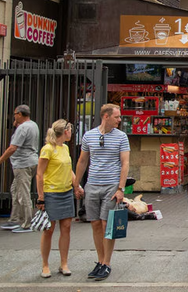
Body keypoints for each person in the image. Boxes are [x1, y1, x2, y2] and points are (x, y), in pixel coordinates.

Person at [75, 103, 130, 281]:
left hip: (111, 186)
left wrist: (121, 188)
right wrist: (77, 184)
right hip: (92, 184)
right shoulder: (89, 135)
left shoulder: (121, 137)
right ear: (106, 116)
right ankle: (100, 260)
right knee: (95, 224)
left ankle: (107, 263)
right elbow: (83, 160)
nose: (120, 120)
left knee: (107, 224)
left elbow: (125, 163)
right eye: (117, 117)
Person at [35, 119, 79, 278]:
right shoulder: (47, 149)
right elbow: (39, 174)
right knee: (49, 229)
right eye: (70, 130)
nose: (71, 133)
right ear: (65, 132)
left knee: (66, 227)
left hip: (66, 191)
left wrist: (76, 185)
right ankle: (45, 265)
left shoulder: (65, 148)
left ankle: (64, 263)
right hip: (51, 192)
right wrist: (41, 197)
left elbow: (69, 169)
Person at [0, 104, 40, 233]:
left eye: (15, 114)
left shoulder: (23, 128)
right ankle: (15, 218)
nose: (14, 116)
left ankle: (27, 222)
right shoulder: (32, 125)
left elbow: (13, 147)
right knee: (15, 189)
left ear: (19, 114)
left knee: (22, 192)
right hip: (30, 161)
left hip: (22, 163)